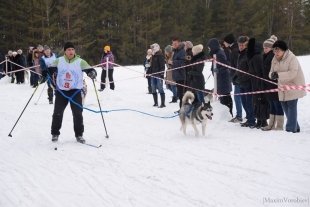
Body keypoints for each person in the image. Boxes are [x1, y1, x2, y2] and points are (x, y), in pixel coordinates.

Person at [48, 42, 97, 143]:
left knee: (78, 113)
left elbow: (90, 69)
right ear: (65, 51)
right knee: (57, 113)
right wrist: (47, 72)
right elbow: (50, 69)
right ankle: (55, 133)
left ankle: (79, 135)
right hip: (61, 92)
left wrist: (92, 73)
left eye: (72, 49)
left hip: (75, 91)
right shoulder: (59, 60)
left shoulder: (80, 61)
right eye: (69, 50)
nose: (71, 51)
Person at [270, 40, 306, 133]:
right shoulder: (274, 59)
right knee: (285, 107)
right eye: (274, 50)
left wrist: (278, 75)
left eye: (278, 50)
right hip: (282, 87)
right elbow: (271, 72)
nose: (276, 52)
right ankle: (296, 127)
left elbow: (293, 73)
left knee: (291, 106)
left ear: (283, 50)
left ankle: (290, 129)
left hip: (293, 86)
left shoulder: (291, 57)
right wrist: (272, 75)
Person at [261, 35, 284, 131]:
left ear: (271, 48)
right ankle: (271, 124)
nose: (265, 49)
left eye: (266, 47)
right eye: (264, 47)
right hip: (267, 85)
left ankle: (279, 126)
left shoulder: (273, 57)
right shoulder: (265, 56)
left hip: (274, 84)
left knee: (277, 104)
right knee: (271, 104)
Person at [207, 38, 233, 117]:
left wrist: (218, 70)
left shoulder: (219, 53)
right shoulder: (216, 53)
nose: (209, 49)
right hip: (220, 79)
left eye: (209, 47)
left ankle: (228, 114)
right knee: (223, 97)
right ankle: (226, 114)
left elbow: (225, 65)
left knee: (226, 97)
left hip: (223, 79)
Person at [247, 38, 269, 128]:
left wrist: (260, 84)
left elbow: (260, 72)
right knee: (256, 102)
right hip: (255, 82)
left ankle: (263, 120)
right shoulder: (253, 56)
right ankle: (259, 119)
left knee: (261, 101)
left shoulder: (257, 57)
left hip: (259, 83)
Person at [223, 33, 243, 123]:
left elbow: (236, 65)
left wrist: (234, 76)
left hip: (238, 77)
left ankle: (239, 116)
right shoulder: (232, 49)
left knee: (238, 97)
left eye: (225, 41)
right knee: (240, 97)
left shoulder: (234, 50)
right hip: (237, 77)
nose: (224, 43)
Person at [149, 43, 166, 108]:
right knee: (153, 89)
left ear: (156, 48)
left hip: (158, 75)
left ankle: (163, 103)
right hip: (153, 75)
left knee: (160, 89)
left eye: (153, 48)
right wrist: (149, 72)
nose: (152, 49)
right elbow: (151, 66)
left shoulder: (160, 55)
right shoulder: (153, 56)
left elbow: (162, 66)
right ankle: (155, 103)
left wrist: (161, 74)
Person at [172, 37, 186, 109]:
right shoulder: (176, 51)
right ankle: (181, 109)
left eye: (175, 43)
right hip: (177, 76)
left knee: (182, 94)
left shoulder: (182, 51)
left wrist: (173, 62)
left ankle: (182, 109)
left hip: (182, 76)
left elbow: (182, 63)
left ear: (179, 43)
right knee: (180, 95)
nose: (173, 45)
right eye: (173, 43)